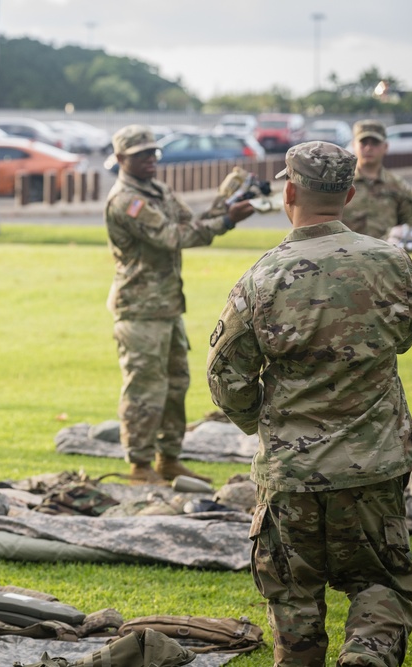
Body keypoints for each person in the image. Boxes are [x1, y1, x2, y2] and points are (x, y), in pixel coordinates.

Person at [206, 141, 412, 666]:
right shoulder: (394, 263)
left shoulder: (263, 276)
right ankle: (367, 657)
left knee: (294, 600)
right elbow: (406, 336)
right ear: (349, 194)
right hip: (373, 468)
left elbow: (225, 375)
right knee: (379, 588)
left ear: (288, 192)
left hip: (292, 474)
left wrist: (264, 420)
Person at [103, 124, 255, 485]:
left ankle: (167, 459)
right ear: (122, 158)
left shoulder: (157, 190)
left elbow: (192, 222)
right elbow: (174, 237)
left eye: (153, 152)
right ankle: (139, 466)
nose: (150, 159)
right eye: (141, 154)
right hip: (140, 309)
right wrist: (226, 222)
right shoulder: (128, 201)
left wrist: (225, 202)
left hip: (167, 306)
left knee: (175, 383)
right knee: (145, 388)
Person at [342, 119, 412, 242]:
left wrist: (400, 237)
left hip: (386, 257)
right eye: (363, 142)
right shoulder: (340, 184)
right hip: (345, 256)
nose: (369, 148)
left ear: (385, 147)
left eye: (375, 143)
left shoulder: (400, 187)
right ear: (353, 145)